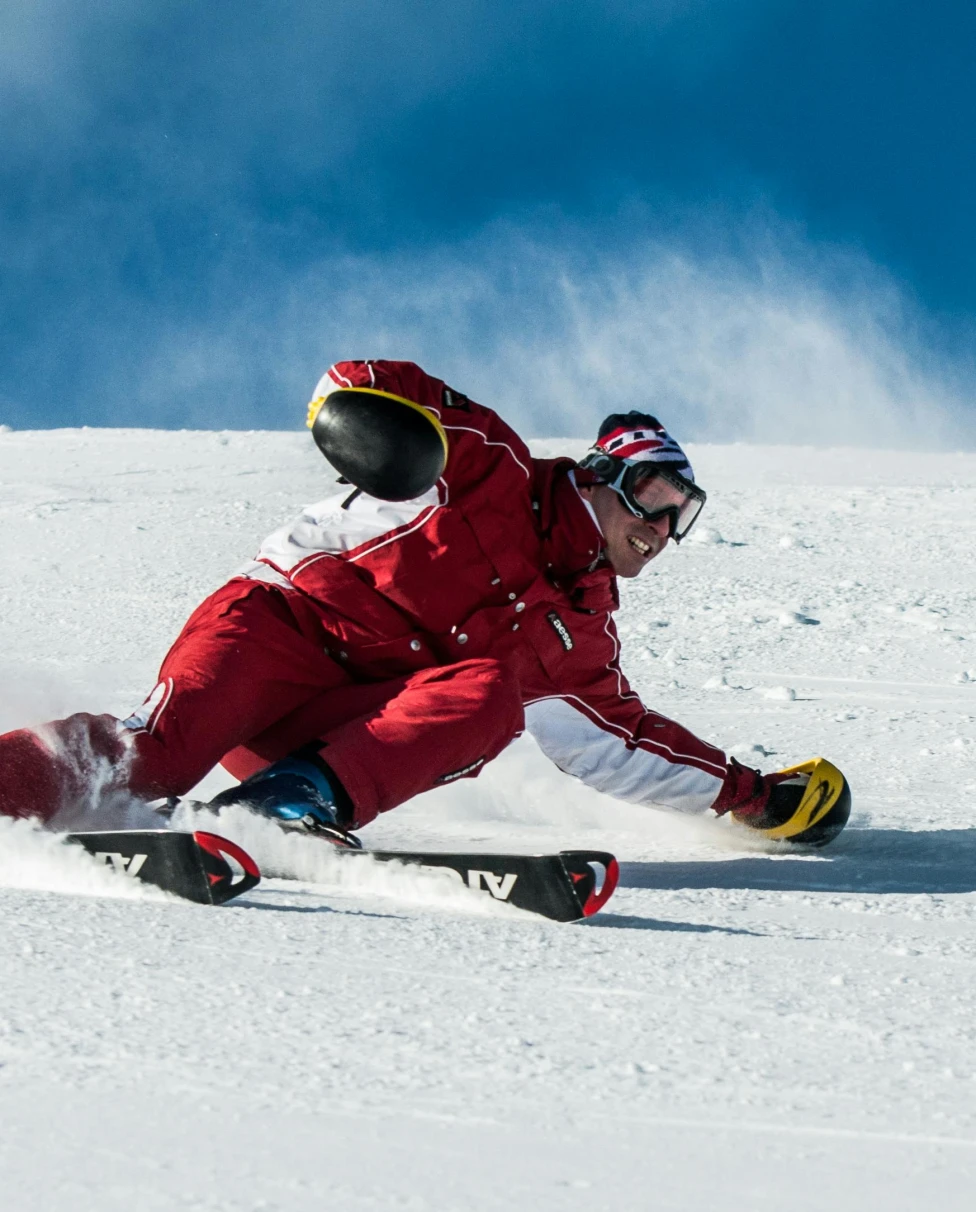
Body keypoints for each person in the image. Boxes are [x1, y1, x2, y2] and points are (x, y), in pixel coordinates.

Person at [0, 359, 846, 847]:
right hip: (276, 630)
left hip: (331, 734)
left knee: (488, 698)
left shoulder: (577, 636)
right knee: (152, 761)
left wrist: (750, 795)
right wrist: (363, 418)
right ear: (598, 475)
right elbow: (381, 383)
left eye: (683, 513)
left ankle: (287, 808)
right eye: (653, 494)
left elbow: (625, 743)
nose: (662, 526)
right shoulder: (493, 470)